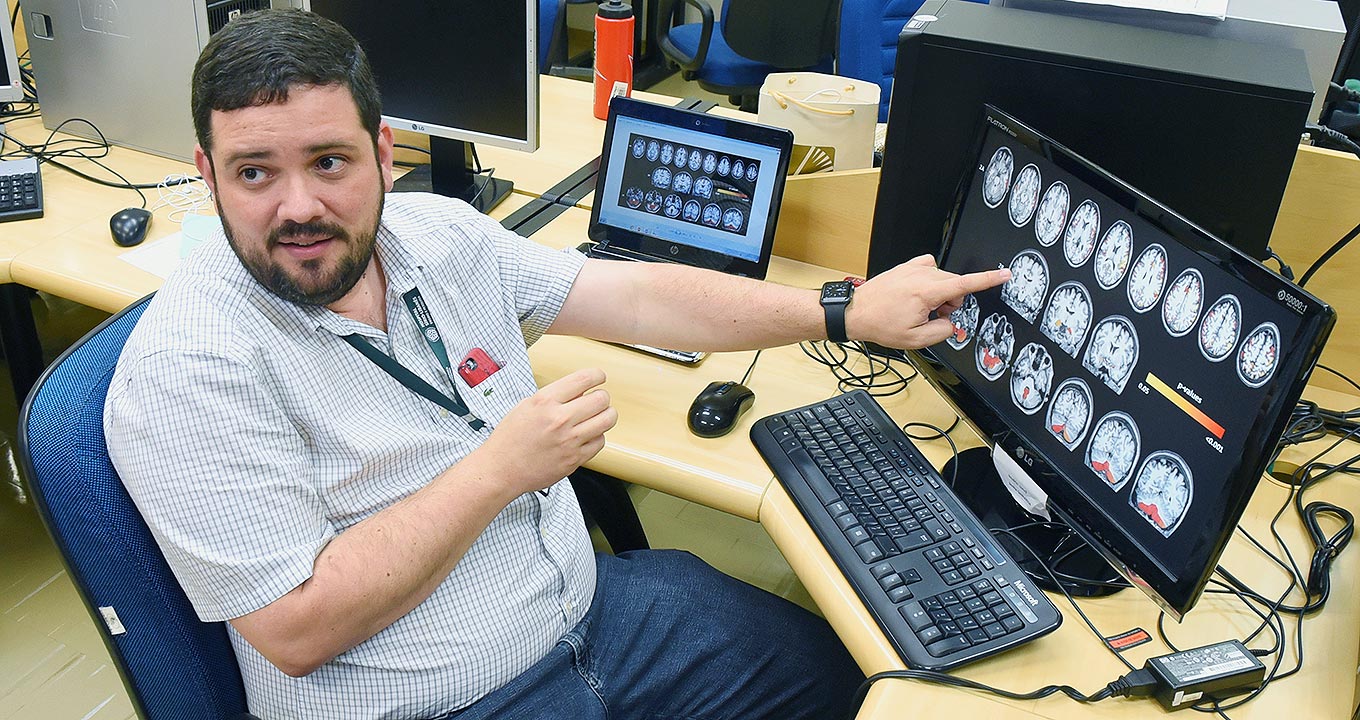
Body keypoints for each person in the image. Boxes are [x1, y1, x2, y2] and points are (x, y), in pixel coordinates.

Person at [104, 9, 1011, 720]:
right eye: (254, 173)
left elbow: (640, 297)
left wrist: (845, 309)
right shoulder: (187, 367)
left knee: (860, 685)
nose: (297, 206)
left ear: (384, 155)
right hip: (439, 702)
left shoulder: (440, 236)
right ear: (209, 171)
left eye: (330, 161)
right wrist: (500, 469)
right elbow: (294, 629)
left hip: (593, 619)